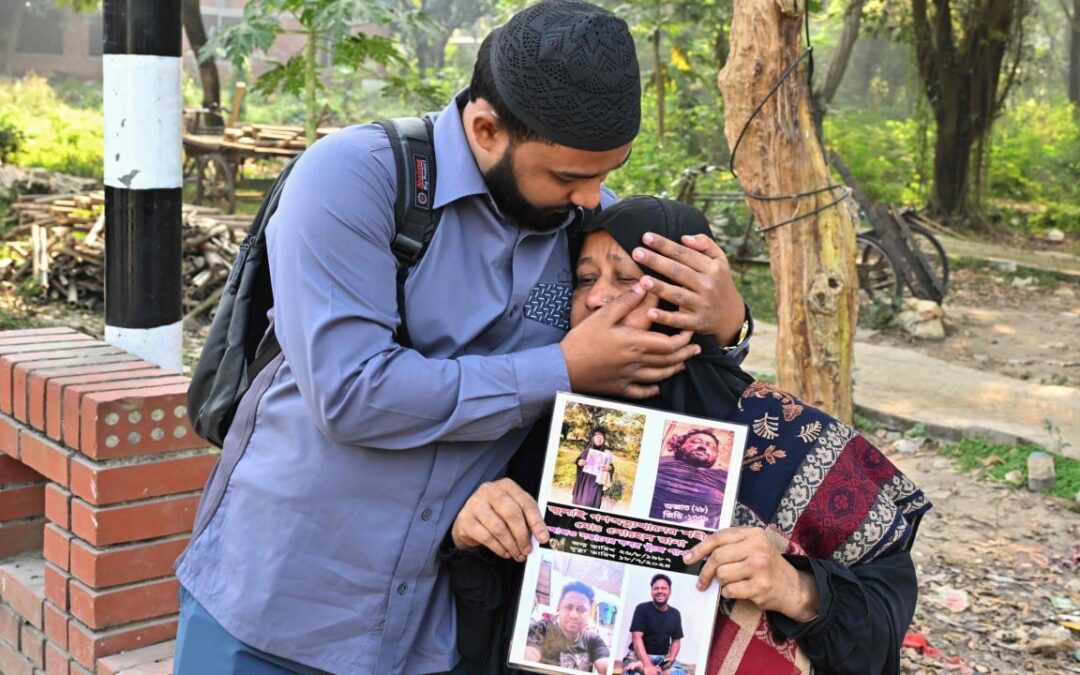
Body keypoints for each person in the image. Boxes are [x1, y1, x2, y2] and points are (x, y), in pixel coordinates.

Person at [172, 2, 752, 673]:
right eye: (570, 177)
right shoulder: (353, 179)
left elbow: (646, 360)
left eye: (606, 172)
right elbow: (351, 392)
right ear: (485, 128)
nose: (595, 198)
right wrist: (562, 367)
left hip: (438, 628)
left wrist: (725, 320)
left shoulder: (578, 218)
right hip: (282, 603)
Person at [447, 196, 931, 675]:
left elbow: (882, 613)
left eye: (627, 279)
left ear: (688, 294)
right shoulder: (543, 427)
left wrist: (796, 589)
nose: (596, 297)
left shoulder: (784, 434)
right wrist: (478, 535)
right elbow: (500, 615)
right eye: (585, 279)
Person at [649, 427, 728, 528]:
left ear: (716, 455)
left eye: (710, 446)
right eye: (695, 441)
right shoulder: (657, 462)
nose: (702, 447)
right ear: (680, 445)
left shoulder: (726, 478)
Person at [525, 581, 611, 673]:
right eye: (568, 607)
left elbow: (606, 666)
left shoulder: (593, 640)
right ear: (559, 607)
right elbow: (528, 656)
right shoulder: (543, 628)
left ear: (589, 613)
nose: (574, 615)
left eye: (581, 610)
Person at [624, 574, 686, 675]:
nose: (660, 591)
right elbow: (636, 639)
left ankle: (648, 668)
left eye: (664, 588)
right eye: (656, 588)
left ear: (669, 591)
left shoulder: (675, 614)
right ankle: (641, 666)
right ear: (652, 592)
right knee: (632, 672)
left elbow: (676, 640)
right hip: (639, 656)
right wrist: (648, 664)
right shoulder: (642, 608)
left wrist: (672, 657)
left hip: (662, 659)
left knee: (679, 672)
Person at [572, 427, 615, 508]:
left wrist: (610, 468)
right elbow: (578, 460)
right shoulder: (587, 451)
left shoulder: (606, 454)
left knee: (593, 503)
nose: (600, 439)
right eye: (598, 437)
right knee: (580, 502)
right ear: (593, 438)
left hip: (597, 483)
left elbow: (611, 466)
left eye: (602, 438)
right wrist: (579, 462)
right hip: (584, 482)